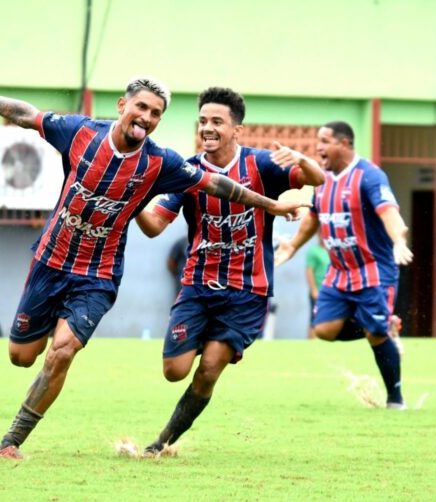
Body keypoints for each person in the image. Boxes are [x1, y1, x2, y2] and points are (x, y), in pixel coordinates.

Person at [0, 73, 309, 460]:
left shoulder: (161, 162)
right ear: (122, 105)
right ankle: (46, 343)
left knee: (63, 352)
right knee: (21, 356)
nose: (146, 117)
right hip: (50, 261)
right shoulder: (79, 133)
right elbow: (26, 114)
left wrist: (273, 205)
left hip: (97, 276)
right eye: (142, 107)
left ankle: (11, 442)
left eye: (155, 113)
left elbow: (215, 184)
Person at [134, 87, 325, 456]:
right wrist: (134, 204)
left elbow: (315, 179)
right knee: (174, 371)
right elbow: (155, 225)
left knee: (208, 370)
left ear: (236, 129)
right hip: (197, 287)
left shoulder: (262, 165)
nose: (207, 128)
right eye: (202, 121)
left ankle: (161, 444)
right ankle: (205, 338)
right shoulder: (186, 172)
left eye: (216, 122)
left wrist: (300, 156)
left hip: (246, 291)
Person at [275, 120, 413, 410]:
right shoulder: (322, 180)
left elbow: (389, 213)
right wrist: (292, 246)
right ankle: (382, 324)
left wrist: (399, 239)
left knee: (376, 335)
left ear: (345, 144)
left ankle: (395, 399)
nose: (318, 147)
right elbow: (313, 218)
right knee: (323, 330)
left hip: (374, 269)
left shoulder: (370, 176)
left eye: (325, 141)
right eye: (318, 141)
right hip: (340, 272)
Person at [305, 238, 330, 338]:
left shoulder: (332, 251)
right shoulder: (313, 251)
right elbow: (309, 271)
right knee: (314, 318)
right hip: (318, 291)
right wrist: (314, 290)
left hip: (330, 291)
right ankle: (311, 344)